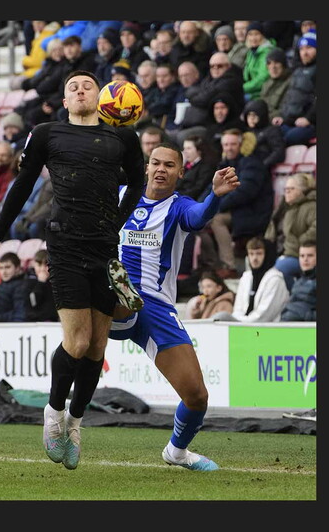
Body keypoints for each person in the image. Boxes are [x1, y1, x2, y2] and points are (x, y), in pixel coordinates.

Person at [0, 70, 146, 471]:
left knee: (98, 348)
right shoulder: (46, 133)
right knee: (78, 342)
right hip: (65, 246)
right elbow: (21, 185)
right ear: (65, 101)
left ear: (101, 96)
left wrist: (116, 224)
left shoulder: (123, 137)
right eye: (73, 87)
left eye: (88, 85)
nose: (81, 90)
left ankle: (75, 423)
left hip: (105, 249)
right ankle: (53, 413)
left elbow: (137, 184)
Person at [110, 142, 240, 471]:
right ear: (146, 167)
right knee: (114, 296)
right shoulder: (119, 195)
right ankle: (117, 293)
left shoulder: (179, 207)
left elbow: (199, 216)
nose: (161, 169)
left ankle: (177, 452)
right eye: (155, 162)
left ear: (181, 172)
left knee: (197, 397)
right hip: (118, 300)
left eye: (169, 165)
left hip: (156, 307)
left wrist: (215, 195)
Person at [206, 129, 272, 276]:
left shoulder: (252, 163)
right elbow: (212, 188)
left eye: (233, 144)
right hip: (237, 210)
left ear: (241, 145)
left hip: (253, 212)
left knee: (216, 219)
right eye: (226, 144)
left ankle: (229, 266)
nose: (229, 148)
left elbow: (245, 192)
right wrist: (201, 205)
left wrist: (217, 206)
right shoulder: (225, 164)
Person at [212, 237, 289, 322]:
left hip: (265, 327)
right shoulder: (246, 277)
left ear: (266, 255)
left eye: (259, 254)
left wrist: (242, 322)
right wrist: (239, 322)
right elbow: (238, 309)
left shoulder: (275, 279)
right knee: (220, 317)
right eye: (251, 254)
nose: (254, 258)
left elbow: (264, 314)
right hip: (242, 324)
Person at [268, 172, 316, 288]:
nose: (287, 192)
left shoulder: (312, 207)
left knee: (278, 271)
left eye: (291, 189)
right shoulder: (288, 208)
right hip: (288, 252)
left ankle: (295, 294)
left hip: (302, 254)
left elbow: (315, 229)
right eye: (286, 189)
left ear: (302, 190)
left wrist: (301, 242)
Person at [274, 30, 317, 146]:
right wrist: (282, 117)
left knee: (289, 138)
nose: (304, 53)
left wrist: (308, 119)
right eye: (302, 49)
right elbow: (290, 97)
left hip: (310, 124)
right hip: (291, 121)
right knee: (271, 134)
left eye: (309, 48)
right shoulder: (297, 70)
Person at [242, 98, 285, 170]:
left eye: (254, 115)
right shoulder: (246, 132)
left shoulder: (272, 130)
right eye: (249, 115)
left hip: (262, 170)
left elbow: (279, 152)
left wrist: (262, 165)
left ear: (262, 115)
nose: (251, 118)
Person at [281, 240, 316, 321]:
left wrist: (303, 314)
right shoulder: (297, 282)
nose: (305, 259)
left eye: (310, 255)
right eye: (302, 256)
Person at [176, 134, 218, 201]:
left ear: (199, 150)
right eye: (184, 148)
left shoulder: (206, 168)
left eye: (188, 148)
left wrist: (177, 196)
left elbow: (198, 189)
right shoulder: (185, 165)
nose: (185, 152)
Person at [241, 22, 276, 101]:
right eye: (250, 34)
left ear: (263, 35)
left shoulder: (267, 53)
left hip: (261, 93)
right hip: (251, 90)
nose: (253, 38)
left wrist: (242, 88)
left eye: (256, 34)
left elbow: (262, 78)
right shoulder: (251, 52)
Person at [23, 250, 59, 322]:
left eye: (46, 265)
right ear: (34, 265)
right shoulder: (29, 282)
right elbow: (33, 302)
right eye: (39, 265)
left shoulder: (56, 283)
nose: (42, 269)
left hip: (53, 322)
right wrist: (41, 283)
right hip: (35, 322)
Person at [259, 48, 292, 122]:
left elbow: (284, 110)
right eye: (269, 63)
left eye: (276, 63)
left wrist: (262, 118)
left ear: (284, 65)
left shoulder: (291, 83)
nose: (273, 67)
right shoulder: (267, 83)